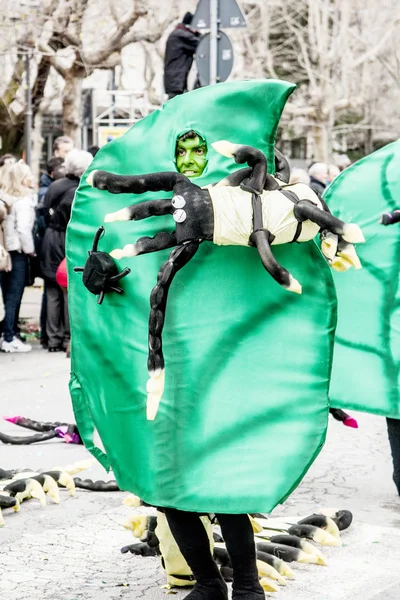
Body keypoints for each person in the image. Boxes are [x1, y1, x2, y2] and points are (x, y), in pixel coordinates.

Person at [40, 149, 93, 352]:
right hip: (67, 240)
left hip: (50, 240)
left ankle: (52, 338)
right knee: (69, 290)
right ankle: (68, 339)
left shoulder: (54, 186)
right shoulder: (80, 191)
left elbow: (43, 214)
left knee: (53, 290)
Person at [0, 161, 36, 353]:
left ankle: (7, 333)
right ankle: (9, 336)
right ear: (23, 179)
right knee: (14, 295)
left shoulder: (6, 198)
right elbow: (23, 230)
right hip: (18, 252)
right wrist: (31, 250)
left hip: (6, 252)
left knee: (6, 294)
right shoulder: (23, 202)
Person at [164, 12, 201, 100]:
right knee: (174, 107)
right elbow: (200, 43)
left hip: (176, 80)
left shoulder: (177, 33)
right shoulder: (180, 35)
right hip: (176, 81)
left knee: (175, 106)